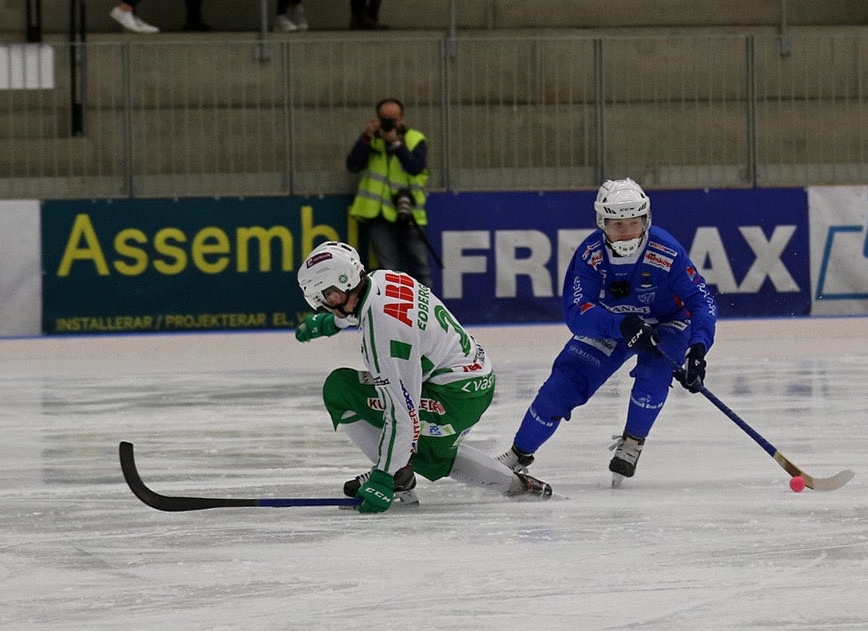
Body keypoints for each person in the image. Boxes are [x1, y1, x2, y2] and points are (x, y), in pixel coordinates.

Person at [294, 241, 552, 514]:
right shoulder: (383, 278)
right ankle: (519, 486)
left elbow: (402, 416)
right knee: (429, 450)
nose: (323, 305)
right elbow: (373, 305)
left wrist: (385, 476)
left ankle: (399, 475)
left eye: (326, 297)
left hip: (454, 397)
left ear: (341, 286)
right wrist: (333, 322)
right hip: (472, 380)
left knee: (342, 391)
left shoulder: (384, 338)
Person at [495, 178, 718, 487]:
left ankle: (633, 441)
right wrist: (622, 325)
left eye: (633, 222)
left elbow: (699, 299)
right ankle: (519, 453)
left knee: (653, 375)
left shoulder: (666, 250)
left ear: (646, 220)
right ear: (602, 222)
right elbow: (576, 313)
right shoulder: (590, 255)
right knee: (561, 387)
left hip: (668, 323)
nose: (626, 232)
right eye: (617, 224)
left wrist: (698, 348)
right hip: (613, 325)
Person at [345, 97, 433, 289]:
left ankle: (427, 313)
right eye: (384, 118)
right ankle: (392, 314)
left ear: (402, 119)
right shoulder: (371, 140)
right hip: (378, 214)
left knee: (420, 268)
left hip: (409, 213)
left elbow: (416, 167)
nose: (389, 123)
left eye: (393, 119)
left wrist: (396, 145)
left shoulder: (414, 139)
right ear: (377, 118)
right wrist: (367, 138)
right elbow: (353, 165)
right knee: (388, 270)